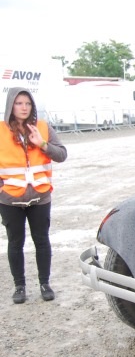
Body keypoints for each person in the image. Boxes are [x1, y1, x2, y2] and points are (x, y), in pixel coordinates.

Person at [0, 88, 67, 304]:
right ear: (11, 105)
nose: (23, 107)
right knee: (15, 243)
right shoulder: (1, 131)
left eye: (27, 103)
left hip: (40, 197)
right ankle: (19, 286)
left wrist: (42, 144)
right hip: (10, 198)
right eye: (19, 103)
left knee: (42, 241)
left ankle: (44, 283)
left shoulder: (43, 127)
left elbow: (62, 155)